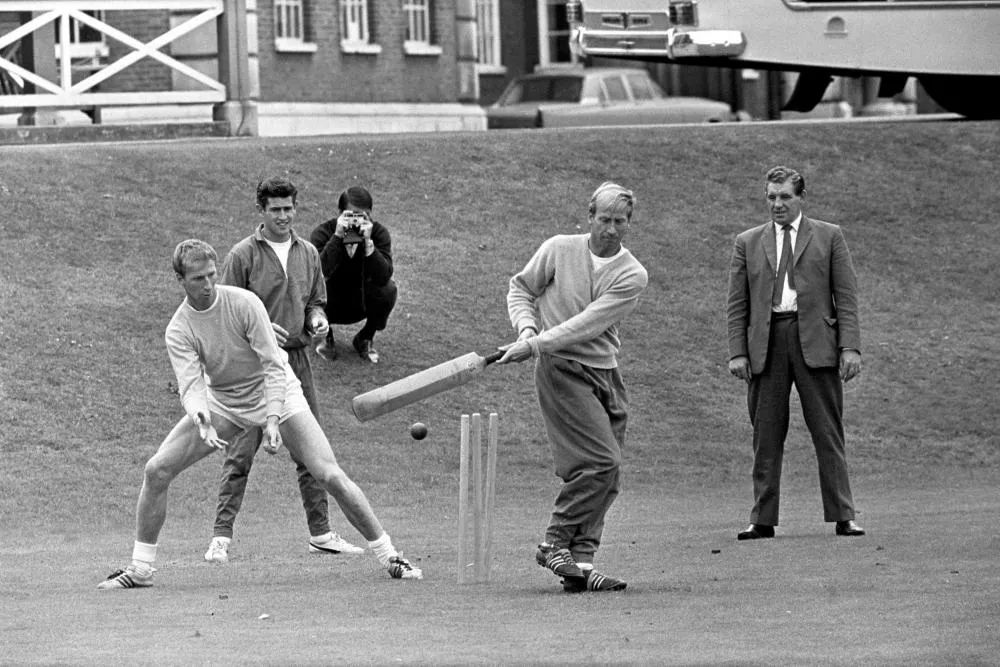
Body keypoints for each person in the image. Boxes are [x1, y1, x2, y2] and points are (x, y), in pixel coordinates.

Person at [97, 239, 421, 589]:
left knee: (329, 474)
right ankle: (141, 568)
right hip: (224, 402)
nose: (207, 285)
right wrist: (201, 419)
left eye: (211, 275)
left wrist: (271, 420)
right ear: (180, 280)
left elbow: (272, 366)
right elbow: (192, 386)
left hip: (277, 393)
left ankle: (391, 556)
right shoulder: (179, 328)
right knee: (156, 469)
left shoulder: (243, 303)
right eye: (197, 279)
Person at [202, 177, 363, 565]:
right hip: (253, 367)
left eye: (289, 208)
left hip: (297, 361)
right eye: (275, 210)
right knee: (240, 455)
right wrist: (253, 333)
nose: (283, 216)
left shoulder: (308, 252)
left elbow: (315, 303)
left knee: (312, 455)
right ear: (261, 211)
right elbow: (224, 314)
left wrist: (318, 321)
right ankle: (220, 539)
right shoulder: (242, 255)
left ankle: (321, 534)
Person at [497, 182, 648, 593]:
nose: (612, 230)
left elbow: (587, 324)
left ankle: (581, 563)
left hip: (604, 370)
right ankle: (554, 542)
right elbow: (522, 288)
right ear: (590, 215)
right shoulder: (560, 248)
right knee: (601, 462)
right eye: (605, 220)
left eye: (620, 222)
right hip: (562, 369)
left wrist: (533, 343)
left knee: (605, 474)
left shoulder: (633, 275)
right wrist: (527, 327)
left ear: (629, 223)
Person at [726, 165, 865, 541]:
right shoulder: (748, 241)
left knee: (828, 431)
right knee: (765, 435)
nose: (777, 204)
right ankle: (762, 518)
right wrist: (737, 352)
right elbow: (737, 304)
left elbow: (846, 297)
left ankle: (843, 514)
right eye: (771, 197)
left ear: (801, 197)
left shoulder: (829, 236)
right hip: (767, 344)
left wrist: (849, 346)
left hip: (817, 342)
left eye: (785, 196)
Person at [311, 186, 396, 364]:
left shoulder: (378, 234)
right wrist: (338, 237)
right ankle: (324, 335)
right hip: (329, 302)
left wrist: (368, 245)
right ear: (340, 213)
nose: (356, 222)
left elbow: (384, 276)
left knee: (389, 290)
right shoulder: (323, 233)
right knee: (309, 288)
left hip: (361, 301)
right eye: (352, 215)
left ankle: (365, 337)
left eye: (363, 216)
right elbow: (316, 273)